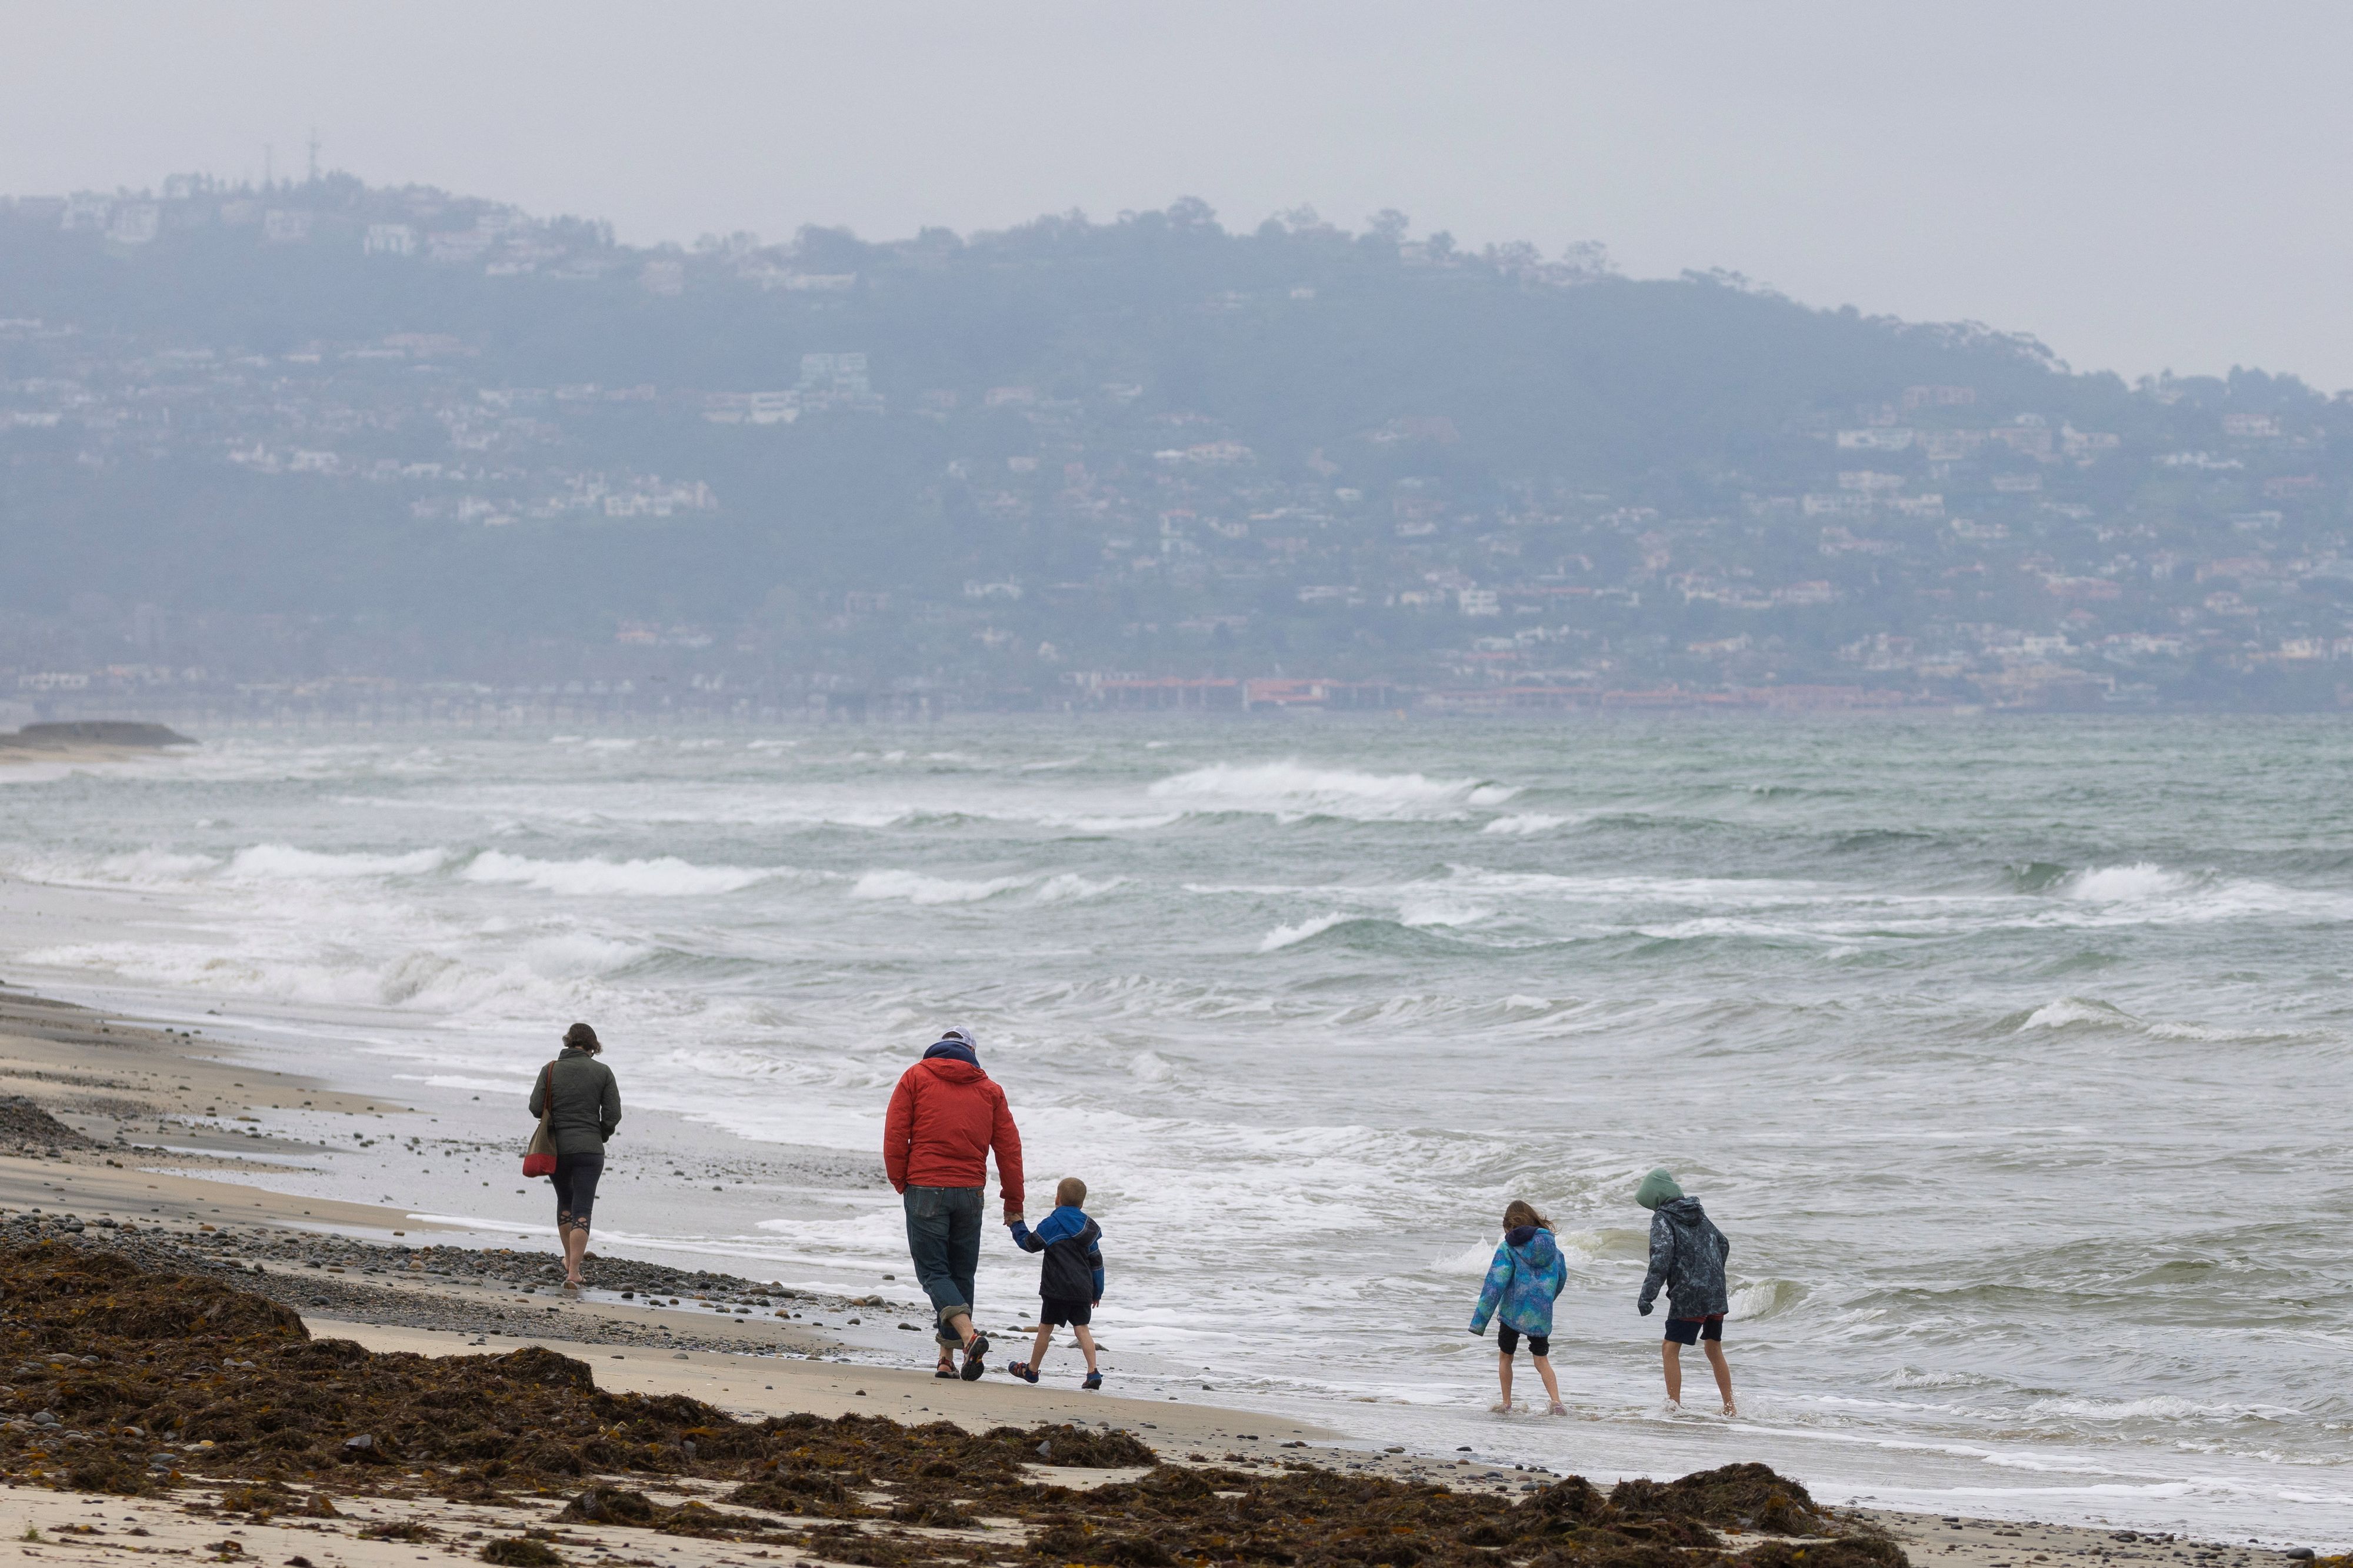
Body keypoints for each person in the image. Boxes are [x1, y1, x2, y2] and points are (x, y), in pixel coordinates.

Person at [883, 1025, 1024, 1381]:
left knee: (934, 1272)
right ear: (972, 1052)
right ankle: (950, 1359)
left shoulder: (915, 1077)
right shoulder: (990, 1090)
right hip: (970, 1192)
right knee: (960, 1274)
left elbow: (896, 1132)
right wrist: (1013, 1202)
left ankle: (968, 1337)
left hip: (926, 1185)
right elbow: (1009, 1149)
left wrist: (900, 1179)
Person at [528, 1022, 622, 1291]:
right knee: (584, 1207)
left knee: (565, 1201)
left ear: (568, 1042)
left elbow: (535, 1108)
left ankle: (569, 1261)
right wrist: (599, 1134)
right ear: (593, 1047)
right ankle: (574, 1272)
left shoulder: (551, 1069)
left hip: (557, 1149)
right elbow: (613, 1116)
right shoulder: (603, 1071)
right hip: (590, 1150)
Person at [1635, 1167, 1735, 1414]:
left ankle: (1673, 1407)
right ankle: (1730, 1407)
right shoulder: (1698, 1213)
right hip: (1715, 1293)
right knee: (1713, 1348)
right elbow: (1723, 1243)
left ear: (1655, 1197)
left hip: (1690, 1295)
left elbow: (1661, 1256)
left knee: (1670, 1347)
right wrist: (1712, 1274)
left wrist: (1648, 1295)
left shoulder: (1663, 1217)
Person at [1468, 1197, 1568, 1414]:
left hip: (1512, 1312)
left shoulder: (1508, 1248)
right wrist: (1546, 1302)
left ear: (1509, 1224)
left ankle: (1507, 1403)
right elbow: (1561, 1279)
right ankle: (1557, 1402)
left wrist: (1479, 1322)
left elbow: (1495, 1284)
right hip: (1541, 1313)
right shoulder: (1552, 1248)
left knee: (1506, 1356)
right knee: (1541, 1359)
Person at [1005, 1175, 1105, 1390]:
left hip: (1055, 1289)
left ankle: (1032, 1370)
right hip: (1082, 1289)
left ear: (1057, 1199)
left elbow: (1029, 1244)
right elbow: (1097, 1263)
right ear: (1082, 1204)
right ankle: (1093, 1372)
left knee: (1045, 1329)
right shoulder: (1088, 1229)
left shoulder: (1052, 1224)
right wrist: (1097, 1291)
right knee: (1082, 1330)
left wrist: (1017, 1225)